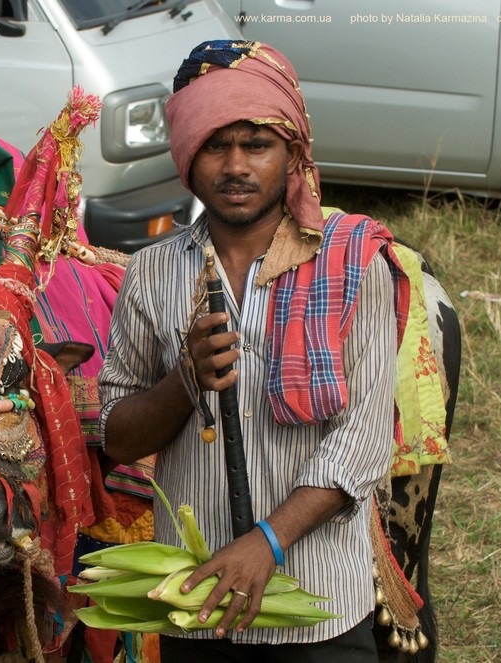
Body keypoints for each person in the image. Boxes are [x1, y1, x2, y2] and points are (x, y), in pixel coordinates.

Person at [97, 40, 410, 662]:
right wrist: (184, 381)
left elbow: (364, 440)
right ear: (187, 155)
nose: (235, 165)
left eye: (257, 145)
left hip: (317, 606)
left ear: (293, 155)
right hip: (199, 606)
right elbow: (118, 436)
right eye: (215, 145)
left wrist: (266, 541)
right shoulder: (153, 273)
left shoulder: (352, 264)